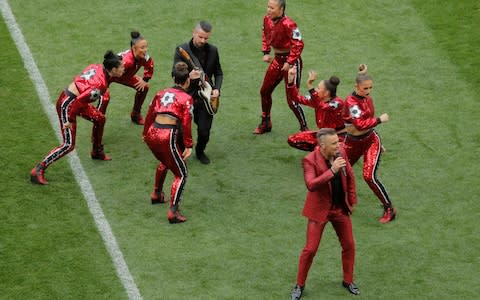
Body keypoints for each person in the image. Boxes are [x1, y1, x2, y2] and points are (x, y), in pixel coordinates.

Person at [30, 50, 125, 185]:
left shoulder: (97, 67)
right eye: (121, 67)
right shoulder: (101, 84)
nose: (124, 68)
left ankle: (97, 151)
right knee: (69, 144)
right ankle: (39, 169)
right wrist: (69, 119)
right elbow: (80, 101)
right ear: (113, 69)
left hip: (74, 99)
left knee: (100, 119)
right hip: (69, 105)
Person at [291, 128, 360, 299]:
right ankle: (299, 286)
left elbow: (350, 176)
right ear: (322, 145)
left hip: (339, 209)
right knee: (310, 249)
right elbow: (311, 184)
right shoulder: (309, 160)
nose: (339, 145)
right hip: (319, 211)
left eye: (338, 141)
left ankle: (348, 280)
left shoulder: (341, 152)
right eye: (334, 143)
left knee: (349, 245)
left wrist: (351, 200)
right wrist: (332, 171)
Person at [143, 62, 198, 224]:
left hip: (152, 131)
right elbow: (187, 121)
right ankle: (173, 212)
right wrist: (188, 144)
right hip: (166, 134)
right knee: (181, 173)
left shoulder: (161, 93)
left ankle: (157, 194)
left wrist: (145, 133)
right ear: (187, 81)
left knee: (165, 161)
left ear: (173, 78)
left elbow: (150, 112)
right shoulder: (187, 98)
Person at [342, 64, 396, 224]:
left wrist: (362, 73)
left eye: (370, 87)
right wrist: (380, 119)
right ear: (356, 87)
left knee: (369, 176)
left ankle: (389, 208)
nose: (368, 91)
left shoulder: (367, 99)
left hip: (371, 140)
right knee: (340, 171)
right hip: (352, 142)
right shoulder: (351, 103)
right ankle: (342, 202)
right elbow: (359, 124)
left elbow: (367, 125)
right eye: (365, 88)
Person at [254, 0, 308, 134]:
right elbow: (265, 34)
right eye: (268, 7)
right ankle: (265, 122)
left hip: (292, 64)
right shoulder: (266, 19)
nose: (268, 10)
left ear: (281, 9)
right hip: (278, 61)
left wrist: (289, 62)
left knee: (292, 99)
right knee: (264, 91)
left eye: (272, 8)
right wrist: (266, 51)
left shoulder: (289, 24)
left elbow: (299, 44)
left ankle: (304, 128)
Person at [173, 21, 223, 164]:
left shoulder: (213, 50)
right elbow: (174, 73)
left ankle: (200, 152)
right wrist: (189, 76)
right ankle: (182, 153)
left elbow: (219, 73)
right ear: (193, 33)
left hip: (206, 97)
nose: (203, 41)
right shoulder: (182, 50)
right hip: (185, 94)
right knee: (180, 129)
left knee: (204, 131)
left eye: (206, 38)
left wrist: (217, 89)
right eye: (200, 37)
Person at [286, 66, 346, 151]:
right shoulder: (316, 100)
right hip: (324, 136)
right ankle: (320, 152)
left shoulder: (337, 103)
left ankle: (324, 153)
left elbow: (323, 106)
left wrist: (310, 85)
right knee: (293, 139)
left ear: (326, 93)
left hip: (339, 138)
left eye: (318, 88)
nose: (315, 90)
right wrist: (290, 81)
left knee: (323, 148)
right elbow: (296, 98)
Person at [103, 31, 154, 125]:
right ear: (134, 48)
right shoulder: (127, 61)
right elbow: (110, 70)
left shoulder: (144, 57)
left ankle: (135, 115)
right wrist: (104, 84)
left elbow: (150, 65)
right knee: (104, 96)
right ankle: (100, 117)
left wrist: (145, 80)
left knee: (144, 87)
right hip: (113, 75)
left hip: (126, 76)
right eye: (142, 48)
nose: (145, 50)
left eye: (146, 47)